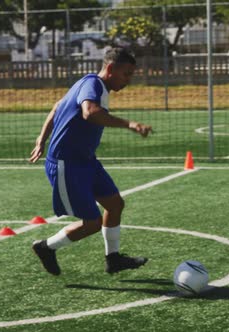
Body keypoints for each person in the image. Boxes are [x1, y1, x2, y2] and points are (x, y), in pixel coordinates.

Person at [29, 47, 152, 276]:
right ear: (111, 68)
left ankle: (113, 259)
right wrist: (130, 124)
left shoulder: (92, 85)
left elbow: (58, 106)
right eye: (126, 74)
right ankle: (46, 247)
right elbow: (90, 113)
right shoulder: (93, 84)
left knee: (115, 205)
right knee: (92, 223)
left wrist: (41, 138)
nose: (128, 80)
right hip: (68, 164)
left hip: (86, 161)